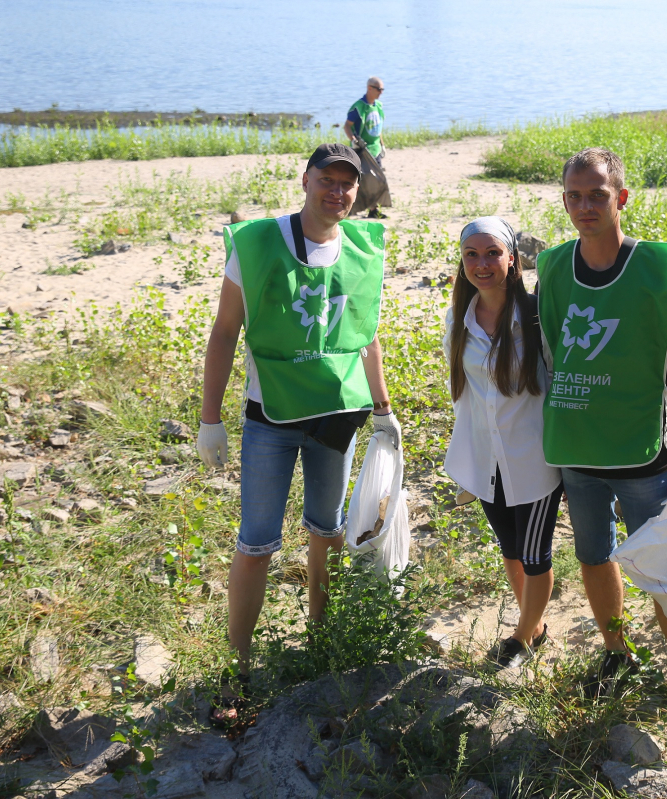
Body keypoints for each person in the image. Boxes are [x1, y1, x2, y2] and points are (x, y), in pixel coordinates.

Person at [196, 143, 401, 726]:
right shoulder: (257, 244)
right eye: (327, 181)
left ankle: (321, 644)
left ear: (359, 190)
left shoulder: (360, 248)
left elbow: (365, 335)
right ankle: (236, 665)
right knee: (256, 542)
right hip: (272, 420)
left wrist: (383, 408)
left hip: (336, 419)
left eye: (348, 184)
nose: (337, 192)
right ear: (306, 179)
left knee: (327, 532)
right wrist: (210, 419)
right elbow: (224, 334)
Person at [535, 148, 667, 717]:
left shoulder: (659, 270)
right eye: (573, 195)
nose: (584, 206)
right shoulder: (552, 267)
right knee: (594, 556)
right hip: (576, 448)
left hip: (643, 453)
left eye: (597, 194)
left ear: (622, 197)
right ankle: (616, 653)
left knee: (662, 567)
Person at [442, 216, 564, 669]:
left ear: (513, 258)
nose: (482, 263)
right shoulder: (459, 320)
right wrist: (467, 466)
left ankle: (521, 640)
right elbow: (466, 400)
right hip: (487, 462)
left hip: (534, 461)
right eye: (471, 254)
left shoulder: (535, 315)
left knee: (535, 555)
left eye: (492, 253)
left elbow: (558, 384)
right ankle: (534, 626)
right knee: (511, 549)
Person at [344, 77, 388, 218]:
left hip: (375, 150)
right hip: (362, 150)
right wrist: (353, 140)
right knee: (362, 181)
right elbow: (347, 126)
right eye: (378, 89)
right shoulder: (359, 107)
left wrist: (382, 144)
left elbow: (378, 128)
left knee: (377, 180)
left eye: (382, 89)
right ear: (369, 88)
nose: (381, 92)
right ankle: (349, 209)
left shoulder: (378, 106)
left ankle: (374, 210)